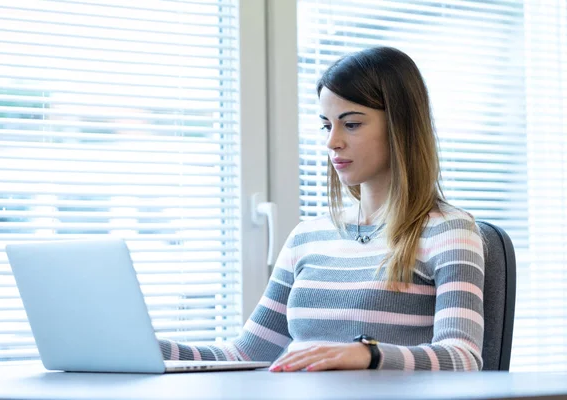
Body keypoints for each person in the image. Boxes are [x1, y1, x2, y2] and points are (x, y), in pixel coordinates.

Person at [159, 46, 484, 371]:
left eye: (352, 124)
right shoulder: (307, 237)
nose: (332, 142)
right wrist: (149, 350)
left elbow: (463, 357)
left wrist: (369, 354)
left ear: (400, 127)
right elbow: (246, 354)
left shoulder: (450, 232)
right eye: (327, 126)